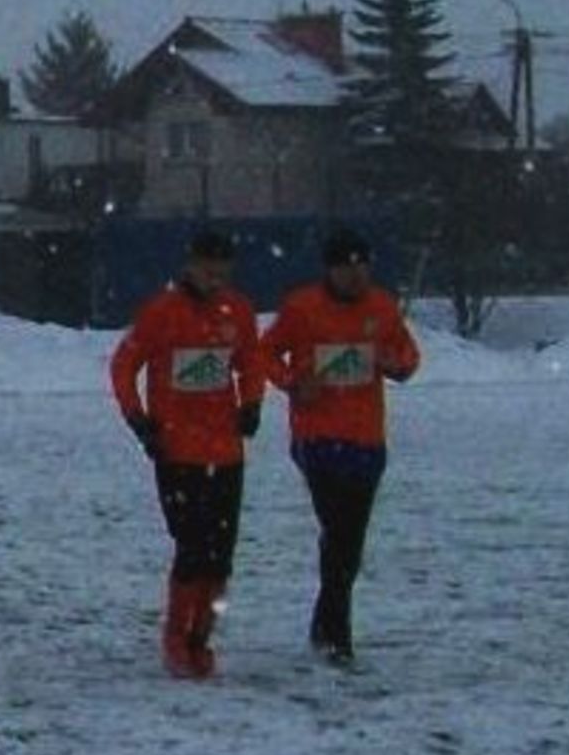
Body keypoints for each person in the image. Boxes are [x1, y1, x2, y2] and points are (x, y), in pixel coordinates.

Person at [260, 228, 421, 666]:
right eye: (345, 266)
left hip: (366, 438)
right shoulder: (302, 308)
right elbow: (266, 354)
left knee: (348, 539)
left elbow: (408, 357)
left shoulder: (381, 307)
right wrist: (294, 383)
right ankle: (337, 635)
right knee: (338, 530)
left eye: (361, 265)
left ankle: (326, 624)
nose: (355, 275)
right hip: (318, 437)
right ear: (329, 269)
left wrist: (395, 365)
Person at [110, 231, 267, 679]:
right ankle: (177, 635)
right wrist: (140, 421)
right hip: (178, 451)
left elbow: (250, 360)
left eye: (223, 272)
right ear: (189, 266)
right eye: (208, 270)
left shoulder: (237, 311)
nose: (215, 280)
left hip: (225, 451)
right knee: (192, 548)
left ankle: (203, 636)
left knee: (222, 556)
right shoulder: (161, 314)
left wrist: (251, 401)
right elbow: (123, 367)